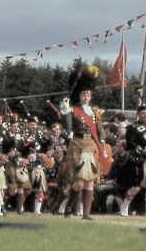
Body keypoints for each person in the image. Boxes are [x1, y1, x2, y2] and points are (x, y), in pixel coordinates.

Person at [60, 65, 106, 220]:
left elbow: (100, 130)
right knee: (79, 183)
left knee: (89, 183)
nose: (86, 97)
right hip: (78, 146)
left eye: (88, 95)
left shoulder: (94, 112)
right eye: (83, 94)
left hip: (92, 147)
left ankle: (86, 214)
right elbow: (68, 127)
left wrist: (103, 143)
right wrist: (66, 112)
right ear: (78, 96)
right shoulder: (73, 110)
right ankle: (69, 207)